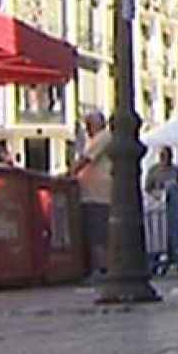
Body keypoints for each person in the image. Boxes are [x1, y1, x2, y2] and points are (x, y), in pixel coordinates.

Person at [72, 111, 111, 278]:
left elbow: (85, 160)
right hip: (96, 192)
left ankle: (101, 269)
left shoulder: (102, 138)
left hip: (97, 193)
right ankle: (102, 268)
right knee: (98, 233)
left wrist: (69, 173)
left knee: (96, 234)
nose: (87, 129)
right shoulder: (103, 138)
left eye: (88, 125)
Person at [144, 147, 178, 269]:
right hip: (157, 204)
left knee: (173, 230)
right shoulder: (154, 170)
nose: (165, 158)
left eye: (167, 155)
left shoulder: (175, 170)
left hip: (172, 205)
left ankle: (176, 253)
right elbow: (147, 187)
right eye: (162, 155)